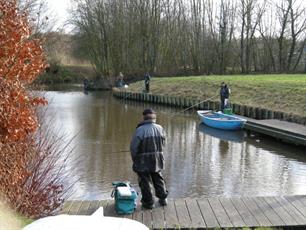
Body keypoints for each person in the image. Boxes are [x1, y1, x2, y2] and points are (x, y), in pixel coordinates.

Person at [130, 109, 168, 209]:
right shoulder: (160, 128)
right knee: (158, 178)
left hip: (143, 161)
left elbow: (133, 148)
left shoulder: (139, 130)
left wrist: (135, 160)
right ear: (154, 118)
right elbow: (164, 144)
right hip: (158, 159)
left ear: (143, 117)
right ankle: (163, 199)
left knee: (145, 181)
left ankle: (149, 203)